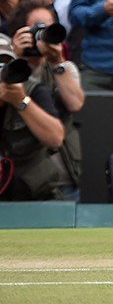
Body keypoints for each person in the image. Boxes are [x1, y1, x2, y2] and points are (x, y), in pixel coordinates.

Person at [0, 33, 68, 200]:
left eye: (7, 64)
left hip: (33, 190)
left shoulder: (32, 90)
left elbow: (56, 138)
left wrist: (22, 102)